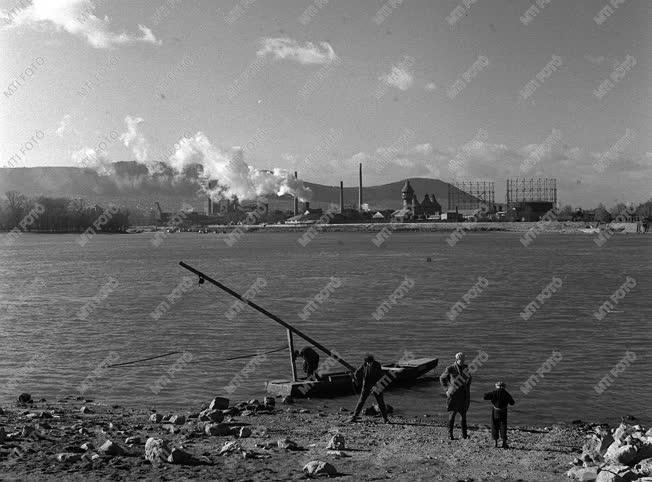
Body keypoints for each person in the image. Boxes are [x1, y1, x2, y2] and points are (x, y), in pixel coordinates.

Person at [439, 352, 471, 440]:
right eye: (461, 359)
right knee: (452, 415)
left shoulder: (466, 367)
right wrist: (446, 389)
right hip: (453, 395)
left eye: (464, 359)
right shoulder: (450, 368)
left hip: (464, 395)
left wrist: (468, 388)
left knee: (463, 415)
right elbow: (442, 378)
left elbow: (469, 378)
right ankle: (450, 435)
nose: (463, 361)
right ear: (457, 359)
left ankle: (464, 435)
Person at [349, 354, 389, 424]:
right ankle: (354, 417)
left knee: (381, 402)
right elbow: (357, 373)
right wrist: (355, 378)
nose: (368, 364)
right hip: (366, 386)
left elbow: (381, 376)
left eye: (369, 363)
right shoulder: (364, 364)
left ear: (372, 361)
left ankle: (385, 419)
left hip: (377, 385)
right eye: (367, 362)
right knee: (361, 402)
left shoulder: (377, 365)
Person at [483, 381, 515, 449]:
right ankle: (504, 443)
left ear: (497, 386)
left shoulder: (494, 392)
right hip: (503, 411)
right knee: (503, 426)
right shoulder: (506, 393)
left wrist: (492, 397)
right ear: (504, 387)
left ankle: (496, 443)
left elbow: (485, 396)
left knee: (494, 425)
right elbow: (512, 403)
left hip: (495, 411)